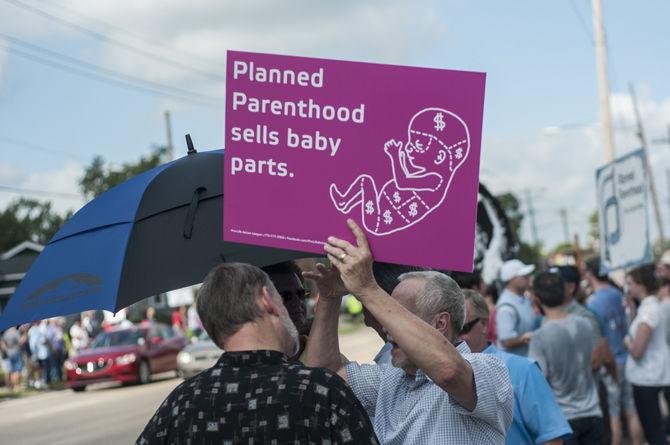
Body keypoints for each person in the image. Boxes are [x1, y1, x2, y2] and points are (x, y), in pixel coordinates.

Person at [304, 219, 514, 444]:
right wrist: (329, 297)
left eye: (397, 314)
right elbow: (323, 373)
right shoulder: (391, 381)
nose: (386, 325)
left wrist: (368, 289)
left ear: (440, 323)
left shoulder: (490, 370)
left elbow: (449, 372)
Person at [136, 262, 378, 445]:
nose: (295, 305)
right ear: (266, 300)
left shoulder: (182, 402)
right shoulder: (321, 391)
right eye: (282, 297)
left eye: (300, 295)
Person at [459, 289, 572, 445]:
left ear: (484, 324)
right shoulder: (432, 375)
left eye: (462, 329)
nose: (454, 338)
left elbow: (552, 437)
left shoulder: (522, 370)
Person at [529, 271, 603, 445]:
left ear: (537, 299)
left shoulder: (539, 337)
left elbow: (539, 379)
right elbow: (595, 362)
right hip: (593, 411)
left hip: (563, 418)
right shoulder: (584, 323)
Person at [585, 257, 644, 445]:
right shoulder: (618, 294)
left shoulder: (592, 302)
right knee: (631, 409)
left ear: (590, 274)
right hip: (627, 357)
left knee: (613, 414)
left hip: (610, 360)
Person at [624, 264, 670, 445]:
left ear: (641, 285)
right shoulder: (653, 307)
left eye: (630, 283)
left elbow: (637, 350)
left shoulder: (649, 312)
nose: (628, 288)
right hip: (656, 373)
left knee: (654, 433)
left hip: (648, 377)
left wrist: (627, 342)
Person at [496, 259, 537, 356]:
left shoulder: (523, 298)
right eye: (525, 276)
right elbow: (506, 341)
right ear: (513, 279)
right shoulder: (506, 307)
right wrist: (530, 337)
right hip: (513, 366)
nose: (529, 278)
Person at [1, 326, 25, 391]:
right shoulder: (15, 332)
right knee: (17, 370)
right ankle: (17, 386)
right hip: (16, 352)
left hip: (9, 353)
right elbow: (20, 342)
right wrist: (25, 336)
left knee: (11, 371)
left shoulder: (6, 333)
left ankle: (13, 386)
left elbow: (3, 344)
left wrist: (7, 350)